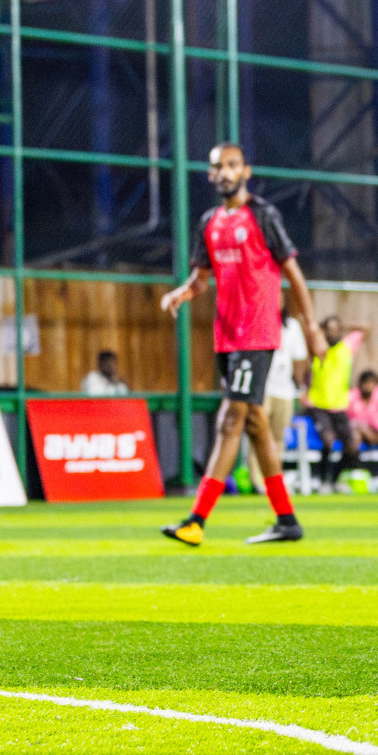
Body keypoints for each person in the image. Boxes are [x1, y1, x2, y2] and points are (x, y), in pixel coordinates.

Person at [159, 141, 327, 546]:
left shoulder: (263, 215)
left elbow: (293, 273)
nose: (225, 172)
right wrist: (181, 293)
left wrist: (311, 327)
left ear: (246, 171)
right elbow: (201, 278)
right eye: (218, 166)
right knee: (253, 424)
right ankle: (287, 519)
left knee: (229, 419)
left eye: (233, 165)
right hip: (226, 336)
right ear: (211, 174)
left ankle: (196, 520)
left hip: (257, 332)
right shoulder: (210, 222)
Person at [245, 307, 311, 495]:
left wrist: (300, 387)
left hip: (285, 390)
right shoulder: (256, 322)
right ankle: (257, 481)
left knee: (278, 437)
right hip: (262, 389)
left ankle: (274, 480)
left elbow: (299, 359)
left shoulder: (292, 326)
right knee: (258, 434)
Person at [306, 316, 369, 494]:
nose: (332, 333)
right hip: (319, 404)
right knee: (328, 440)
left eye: (336, 330)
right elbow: (308, 327)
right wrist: (319, 327)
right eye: (329, 329)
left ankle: (334, 479)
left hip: (340, 406)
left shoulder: (347, 347)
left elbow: (365, 327)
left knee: (352, 444)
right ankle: (322, 480)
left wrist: (343, 325)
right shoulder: (318, 348)